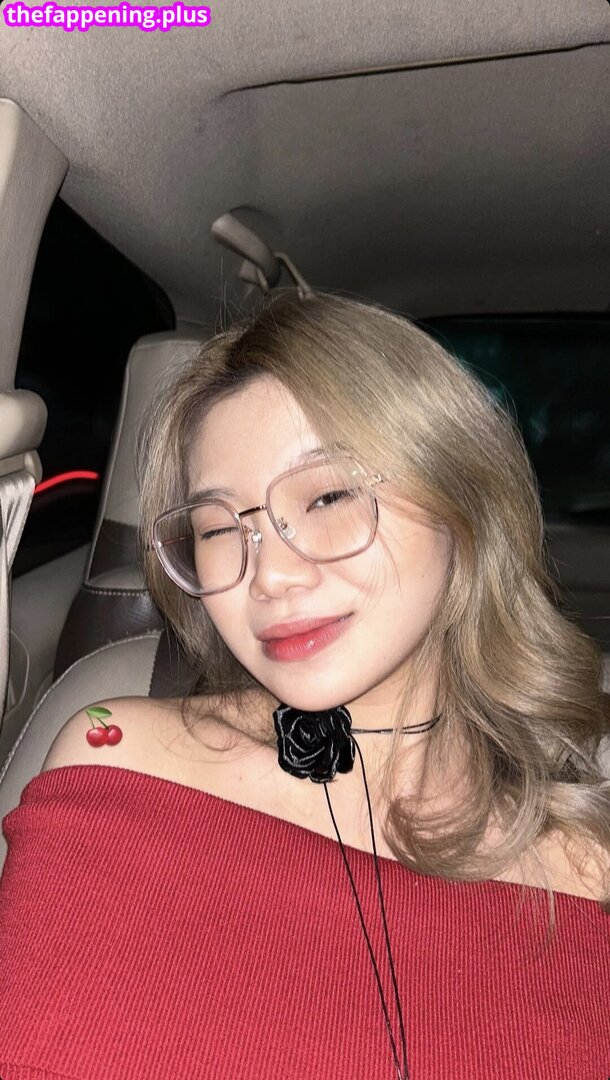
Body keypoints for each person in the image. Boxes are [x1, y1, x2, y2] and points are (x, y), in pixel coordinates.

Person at [0, 289, 609, 1080]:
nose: (271, 576)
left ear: (464, 499)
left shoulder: (585, 867)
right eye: (218, 528)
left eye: (327, 496)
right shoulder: (115, 761)